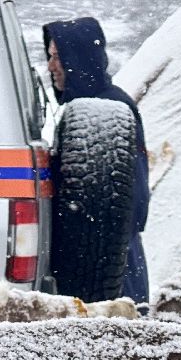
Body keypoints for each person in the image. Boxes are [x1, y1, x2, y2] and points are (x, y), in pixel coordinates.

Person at [42, 16, 150, 304]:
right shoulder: (76, 110)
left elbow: (135, 199)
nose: (51, 66)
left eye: (57, 57)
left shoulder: (111, 109)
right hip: (90, 256)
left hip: (111, 260)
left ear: (78, 59)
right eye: (50, 57)